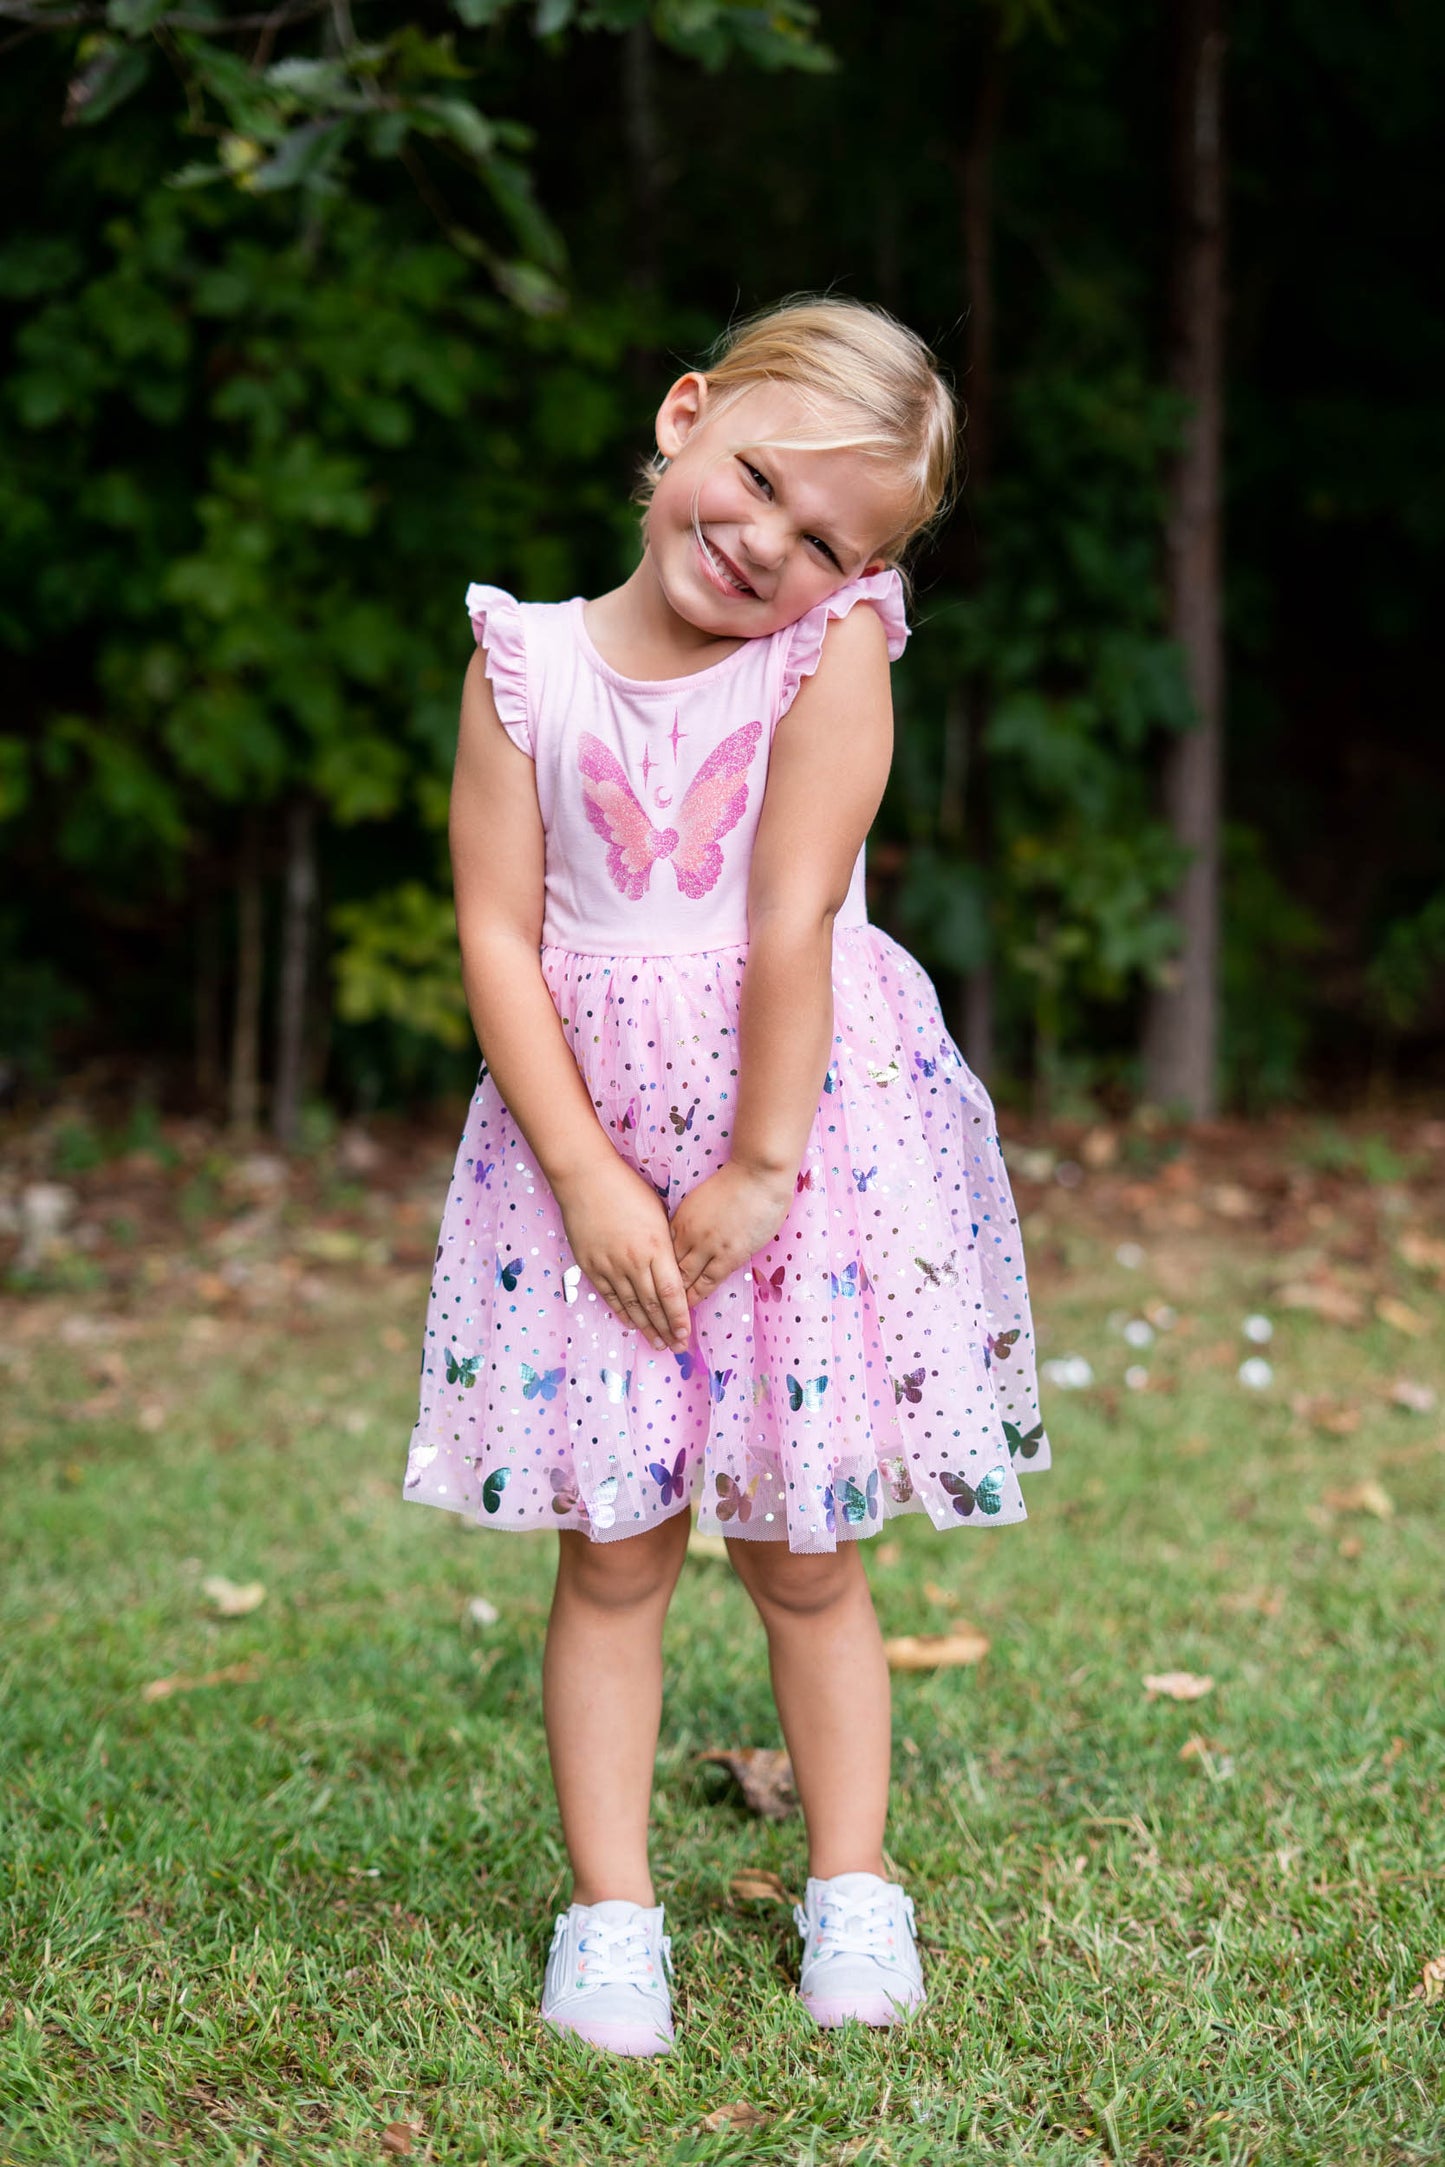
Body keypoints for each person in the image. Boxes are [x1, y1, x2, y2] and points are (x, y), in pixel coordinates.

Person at [403, 296, 1050, 2055]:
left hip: (802, 1148)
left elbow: (786, 919)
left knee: (805, 1545)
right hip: (584, 1149)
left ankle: (853, 1881)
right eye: (758, 479)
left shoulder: (823, 655)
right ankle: (612, 1915)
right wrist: (585, 1179)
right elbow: (494, 927)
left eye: (827, 539)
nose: (769, 542)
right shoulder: (524, 663)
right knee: (614, 1547)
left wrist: (762, 1164)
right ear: (687, 418)